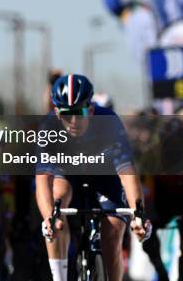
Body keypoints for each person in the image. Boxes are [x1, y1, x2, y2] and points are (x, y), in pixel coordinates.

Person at [35, 74, 151, 281]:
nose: (72, 121)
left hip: (105, 178)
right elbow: (43, 178)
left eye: (78, 113)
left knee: (112, 234)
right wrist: (49, 218)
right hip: (68, 176)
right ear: (56, 112)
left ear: (90, 110)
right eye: (66, 114)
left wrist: (139, 214)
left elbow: (127, 173)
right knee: (56, 209)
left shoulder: (108, 122)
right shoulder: (48, 127)